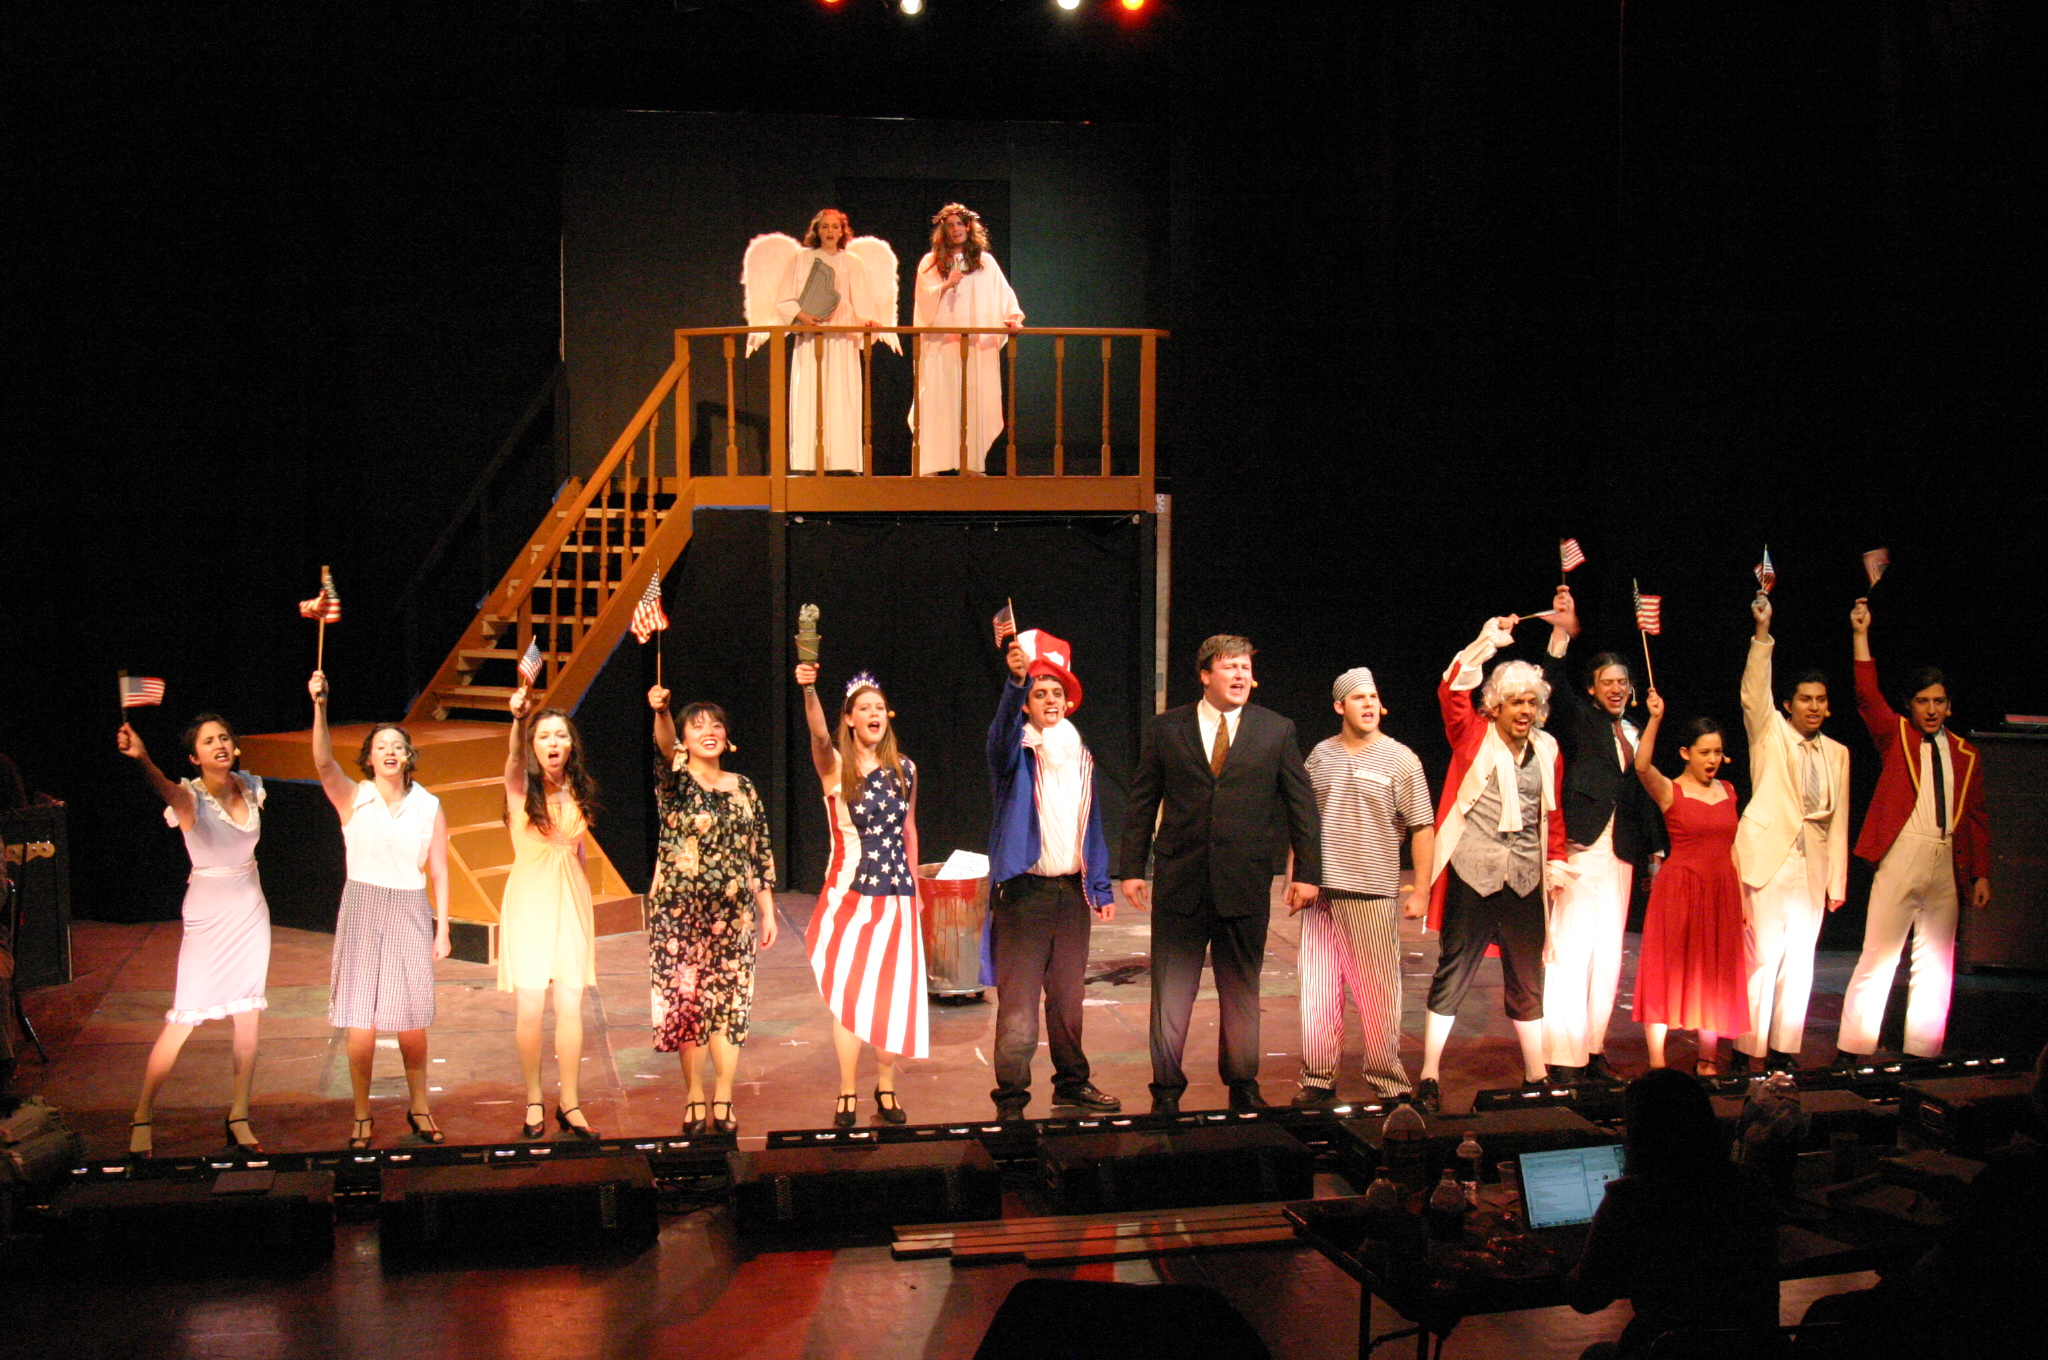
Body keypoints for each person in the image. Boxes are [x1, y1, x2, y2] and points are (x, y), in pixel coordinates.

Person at [1119, 635, 1321, 1115]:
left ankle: (1243, 1084)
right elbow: (1143, 801)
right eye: (1230, 667)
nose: (1240, 675)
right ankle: (1166, 1090)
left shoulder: (1276, 730)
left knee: (1241, 991)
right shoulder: (1167, 728)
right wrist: (1130, 868)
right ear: (1205, 675)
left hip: (1243, 882)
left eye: (1246, 667)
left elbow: (1302, 806)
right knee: (1171, 992)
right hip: (1181, 881)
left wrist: (1308, 872)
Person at [1414, 618, 1569, 1114]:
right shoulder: (1472, 734)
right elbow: (1452, 687)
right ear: (1495, 705)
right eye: (1515, 701)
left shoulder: (1547, 749)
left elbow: (1552, 814)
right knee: (1454, 972)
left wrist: (1557, 861)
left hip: (1524, 877)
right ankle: (1430, 1073)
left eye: (1531, 702)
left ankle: (1536, 1072)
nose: (1524, 710)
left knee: (1528, 978)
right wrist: (1486, 642)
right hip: (1473, 873)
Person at [1833, 599, 1989, 1064]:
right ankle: (1852, 1049)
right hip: (1903, 852)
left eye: (1939, 701)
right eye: (1923, 701)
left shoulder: (1966, 753)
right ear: (1910, 705)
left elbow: (1976, 817)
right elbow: (1867, 696)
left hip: (1946, 859)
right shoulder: (1897, 736)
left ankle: (1923, 1050)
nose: (1932, 709)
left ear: (1949, 706)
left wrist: (1980, 872)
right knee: (1880, 955)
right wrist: (1861, 635)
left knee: (1936, 963)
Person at [308, 671, 452, 1148]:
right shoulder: (354, 798)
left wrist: (442, 928)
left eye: (398, 746)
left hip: (409, 907)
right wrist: (320, 706)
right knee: (361, 1019)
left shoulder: (429, 805)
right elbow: (323, 761)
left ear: (409, 756)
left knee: (411, 1018)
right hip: (363, 906)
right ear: (368, 758)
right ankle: (361, 1114)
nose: (390, 751)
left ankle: (420, 1107)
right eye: (381, 746)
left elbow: (439, 871)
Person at [117, 714, 271, 1156]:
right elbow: (165, 788)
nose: (219, 745)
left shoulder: (251, 786)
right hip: (208, 915)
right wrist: (143, 758)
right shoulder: (191, 798)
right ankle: (143, 1114)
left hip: (250, 910)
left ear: (235, 746)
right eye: (208, 741)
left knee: (249, 1014)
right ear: (194, 757)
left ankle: (239, 1114)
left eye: (224, 737)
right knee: (184, 1017)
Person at [984, 630, 1120, 1120]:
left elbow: (1092, 824)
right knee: (1018, 1005)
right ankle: (1012, 1100)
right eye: (1040, 693)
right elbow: (1001, 732)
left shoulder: (1080, 755)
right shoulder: (1014, 752)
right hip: (1024, 894)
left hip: (1070, 893)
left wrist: (1099, 885)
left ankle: (1071, 1084)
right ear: (1027, 704)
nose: (1049, 700)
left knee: (1068, 999)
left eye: (1056, 693)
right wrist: (1015, 682)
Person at [1539, 588, 1669, 1083]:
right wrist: (1561, 632)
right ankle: (1562, 1057)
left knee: (1608, 958)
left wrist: (1655, 849)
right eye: (1606, 682)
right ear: (1592, 689)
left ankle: (1592, 1050)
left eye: (1622, 682)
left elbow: (1646, 791)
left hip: (1622, 853)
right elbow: (1551, 683)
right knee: (1570, 953)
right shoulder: (1579, 719)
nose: (1615, 689)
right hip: (1582, 848)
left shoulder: (1635, 730)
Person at [1293, 667, 1435, 1105]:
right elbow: (1304, 821)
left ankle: (1388, 1083)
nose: (1369, 704)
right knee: (1317, 990)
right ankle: (1318, 1078)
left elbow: (1422, 827)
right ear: (1340, 706)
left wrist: (1422, 891)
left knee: (1378, 993)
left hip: (1369, 889)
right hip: (1320, 892)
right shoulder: (1320, 756)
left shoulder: (1401, 759)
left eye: (1373, 696)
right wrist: (1297, 874)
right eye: (1359, 698)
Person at [794, 662, 928, 1126]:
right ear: (849, 718)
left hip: (897, 895)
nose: (873, 714)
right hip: (849, 896)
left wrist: (916, 892)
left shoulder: (905, 769)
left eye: (879, 708)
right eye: (864, 708)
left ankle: (886, 1087)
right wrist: (809, 690)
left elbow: (909, 831)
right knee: (850, 992)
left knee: (893, 992)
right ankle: (847, 1090)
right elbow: (818, 736)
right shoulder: (835, 766)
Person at [1566, 1069, 1780, 1359]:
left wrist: (1581, 1258)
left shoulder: (1630, 1197)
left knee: (1599, 1354)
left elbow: (1586, 1297)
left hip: (1665, 1349)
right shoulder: (1752, 1184)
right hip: (1752, 1349)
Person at [646, 686, 779, 1135]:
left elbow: (760, 851)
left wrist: (767, 910)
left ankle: (723, 1095)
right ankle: (693, 1096)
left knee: (729, 1005)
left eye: (716, 724)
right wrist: (663, 711)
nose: (710, 731)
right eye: (698, 725)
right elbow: (663, 747)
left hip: (734, 916)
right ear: (684, 739)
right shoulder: (676, 782)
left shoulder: (744, 787)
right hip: (681, 916)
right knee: (689, 1006)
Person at [1733, 595, 1849, 1073]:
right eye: (1805, 699)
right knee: (1762, 959)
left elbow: (1838, 820)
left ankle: (1783, 1050)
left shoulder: (1838, 752)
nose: (1814, 707)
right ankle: (1747, 1050)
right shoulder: (1770, 732)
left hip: (1812, 866)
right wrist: (1762, 633)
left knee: (1800, 963)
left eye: (1821, 700)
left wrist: (1836, 880)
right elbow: (1753, 693)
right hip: (1769, 859)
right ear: (1788, 705)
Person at [500, 689, 601, 1141]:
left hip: (572, 899)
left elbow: (578, 850)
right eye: (544, 737)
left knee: (571, 1005)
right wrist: (519, 721)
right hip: (530, 903)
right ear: (533, 745)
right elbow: (513, 759)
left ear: (571, 744)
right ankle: (534, 1100)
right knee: (530, 1006)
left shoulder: (577, 788)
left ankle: (570, 1103)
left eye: (560, 735)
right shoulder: (520, 787)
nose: (553, 743)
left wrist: (582, 898)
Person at [1630, 695, 1750, 1074]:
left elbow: (1732, 847)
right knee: (1666, 971)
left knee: (1713, 975)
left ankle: (1707, 1059)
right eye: (1704, 752)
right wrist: (1655, 719)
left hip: (1721, 891)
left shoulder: (1728, 790)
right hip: (1679, 891)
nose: (1712, 759)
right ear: (1685, 753)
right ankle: (1657, 1063)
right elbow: (1641, 765)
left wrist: (1743, 899)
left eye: (1717, 752)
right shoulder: (1671, 789)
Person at [909, 202, 1022, 475]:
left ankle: (970, 464)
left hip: (974, 347)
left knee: (973, 401)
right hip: (941, 346)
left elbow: (1003, 294)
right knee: (938, 402)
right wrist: (946, 284)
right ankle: (931, 465)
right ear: (943, 230)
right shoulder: (930, 262)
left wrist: (1013, 316)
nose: (955, 229)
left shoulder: (984, 262)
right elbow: (922, 300)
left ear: (969, 227)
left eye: (960, 224)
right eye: (950, 225)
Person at [775, 208, 889, 474]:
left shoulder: (852, 262)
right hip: (812, 334)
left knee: (841, 393)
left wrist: (867, 322)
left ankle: (843, 461)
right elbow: (785, 298)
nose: (830, 231)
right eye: (825, 226)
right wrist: (802, 316)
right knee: (811, 392)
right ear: (817, 230)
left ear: (842, 231)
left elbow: (862, 302)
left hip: (841, 336)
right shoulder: (802, 258)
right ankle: (808, 461)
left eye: (835, 227)